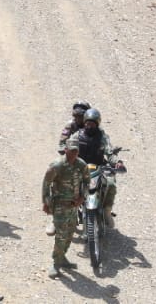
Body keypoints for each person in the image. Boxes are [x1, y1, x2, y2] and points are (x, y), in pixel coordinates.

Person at [42, 136, 88, 277]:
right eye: (71, 150)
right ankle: (55, 263)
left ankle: (62, 257)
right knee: (61, 235)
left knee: (70, 232)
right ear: (66, 150)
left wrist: (82, 197)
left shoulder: (81, 165)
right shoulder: (57, 166)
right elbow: (46, 183)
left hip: (74, 205)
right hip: (60, 206)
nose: (74, 153)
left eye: (76, 151)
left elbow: (87, 182)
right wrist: (46, 202)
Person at [71, 107, 118, 226]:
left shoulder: (103, 137)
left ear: (97, 124)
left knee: (111, 183)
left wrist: (117, 162)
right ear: (84, 122)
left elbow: (109, 152)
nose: (89, 126)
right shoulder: (77, 135)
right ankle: (56, 219)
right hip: (80, 168)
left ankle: (107, 211)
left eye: (92, 123)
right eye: (87, 123)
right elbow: (69, 149)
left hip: (99, 168)